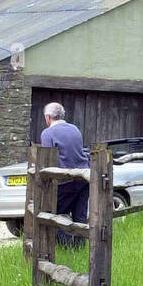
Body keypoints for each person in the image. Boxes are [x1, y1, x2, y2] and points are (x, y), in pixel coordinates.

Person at [39, 102, 90, 247]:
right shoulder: (74, 129)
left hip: (64, 180)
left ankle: (65, 246)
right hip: (83, 177)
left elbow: (47, 157)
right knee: (80, 215)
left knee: (54, 214)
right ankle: (80, 247)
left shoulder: (47, 133)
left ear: (48, 117)